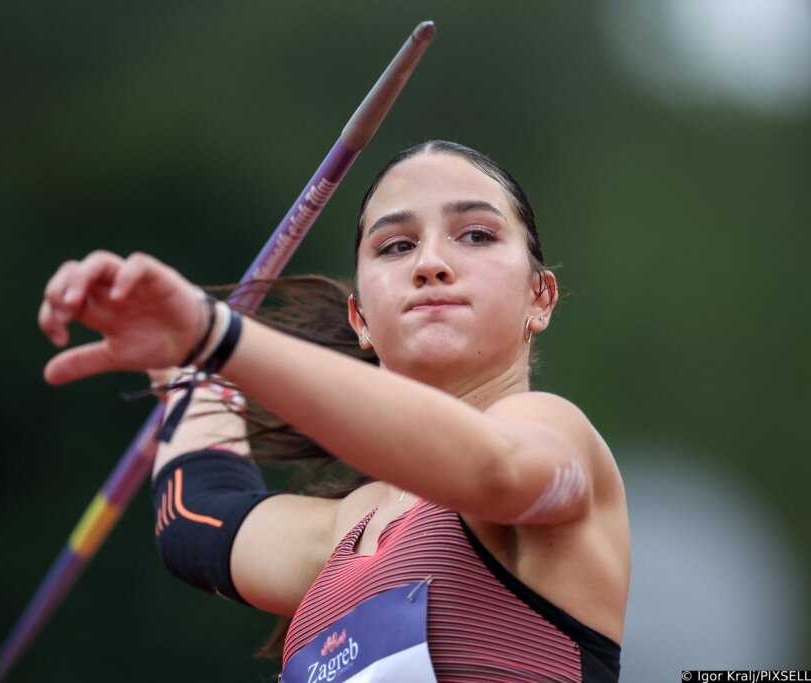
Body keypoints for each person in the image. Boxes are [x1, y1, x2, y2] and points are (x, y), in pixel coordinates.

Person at [37, 140, 630, 682]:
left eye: (476, 235)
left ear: (540, 297)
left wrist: (215, 336)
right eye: (396, 246)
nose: (430, 263)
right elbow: (197, 520)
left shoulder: (554, 437)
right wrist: (185, 367)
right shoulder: (341, 533)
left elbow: (490, 469)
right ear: (360, 319)